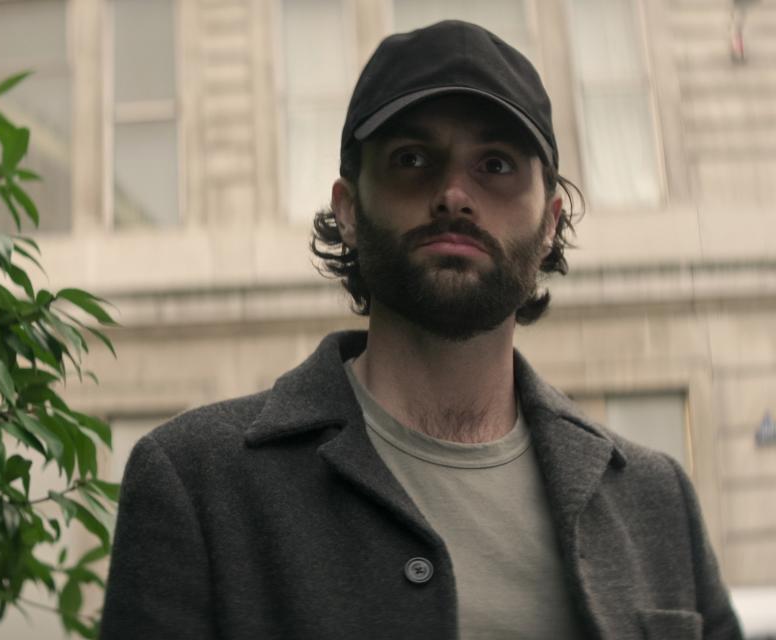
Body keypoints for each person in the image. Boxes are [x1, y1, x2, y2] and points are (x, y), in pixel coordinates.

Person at [100, 20, 743, 640]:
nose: (454, 195)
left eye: (495, 165)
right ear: (347, 210)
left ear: (550, 221)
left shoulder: (655, 498)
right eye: (413, 159)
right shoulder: (197, 480)